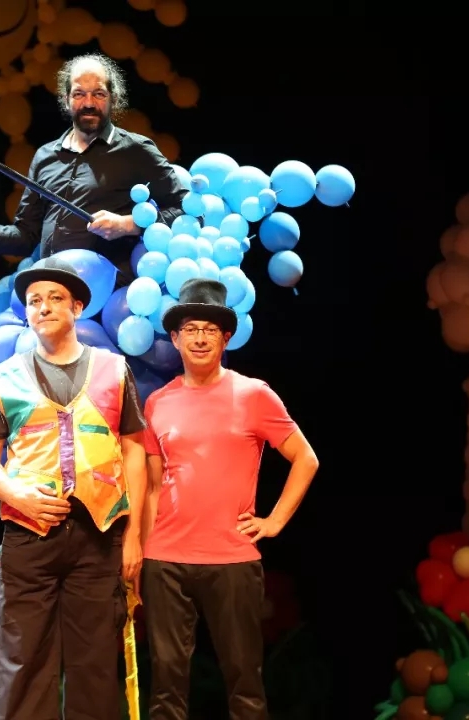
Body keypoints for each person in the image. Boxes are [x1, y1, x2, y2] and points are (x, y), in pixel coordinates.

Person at [0, 257, 148, 720]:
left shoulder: (114, 369)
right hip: (30, 533)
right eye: (34, 301)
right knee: (22, 661)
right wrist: (15, 495)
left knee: (95, 664)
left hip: (98, 533)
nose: (44, 307)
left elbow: (134, 450)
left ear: (77, 307)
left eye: (54, 298)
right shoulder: (4, 376)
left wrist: (134, 536)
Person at [140, 278, 319, 720]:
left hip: (232, 559)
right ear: (175, 338)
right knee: (165, 684)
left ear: (226, 338)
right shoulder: (158, 402)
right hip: (165, 560)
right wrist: (141, 550)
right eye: (190, 329)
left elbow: (306, 458)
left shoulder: (253, 394)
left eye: (210, 329)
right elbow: (152, 484)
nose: (200, 338)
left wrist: (274, 521)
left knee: (244, 682)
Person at [0, 52, 186, 271]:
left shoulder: (136, 150)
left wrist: (128, 224)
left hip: (109, 296)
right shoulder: (45, 156)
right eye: (79, 94)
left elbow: (185, 211)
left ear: (113, 98)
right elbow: (26, 236)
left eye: (98, 94)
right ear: (66, 99)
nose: (88, 103)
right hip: (52, 291)